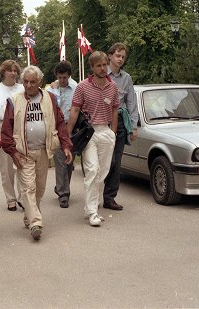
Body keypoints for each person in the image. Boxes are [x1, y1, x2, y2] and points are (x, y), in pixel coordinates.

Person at [1, 65, 73, 241]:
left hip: (43, 151)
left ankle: (28, 215)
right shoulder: (14, 101)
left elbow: (60, 124)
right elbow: (6, 130)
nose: (29, 85)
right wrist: (12, 152)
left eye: (33, 82)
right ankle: (36, 223)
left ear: (40, 82)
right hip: (23, 152)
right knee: (28, 188)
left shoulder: (50, 99)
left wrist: (66, 146)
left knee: (39, 189)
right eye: (25, 81)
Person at [67, 51, 118, 227]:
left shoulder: (113, 87)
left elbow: (114, 110)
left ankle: (91, 206)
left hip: (106, 131)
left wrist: (114, 133)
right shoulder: (82, 87)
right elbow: (74, 110)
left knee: (102, 172)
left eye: (105, 65)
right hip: (89, 132)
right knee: (92, 170)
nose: (103, 68)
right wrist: (68, 134)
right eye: (99, 65)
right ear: (92, 67)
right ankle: (92, 212)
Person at [103, 43, 138, 211]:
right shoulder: (102, 74)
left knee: (116, 162)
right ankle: (95, 194)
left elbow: (131, 102)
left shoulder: (126, 78)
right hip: (102, 122)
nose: (120, 59)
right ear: (110, 56)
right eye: (118, 56)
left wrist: (133, 126)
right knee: (103, 161)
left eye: (123, 57)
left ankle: (109, 197)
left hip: (121, 123)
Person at [0, 60, 24, 211]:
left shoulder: (23, 88)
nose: (13, 73)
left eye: (15, 70)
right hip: (3, 126)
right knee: (6, 167)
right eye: (10, 70)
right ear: (3, 73)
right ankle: (10, 198)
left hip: (20, 126)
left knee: (22, 164)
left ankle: (24, 197)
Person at [46, 61, 78, 208]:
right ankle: (64, 194)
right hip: (57, 128)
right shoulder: (52, 90)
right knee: (60, 160)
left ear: (69, 76)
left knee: (69, 162)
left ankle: (61, 187)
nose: (62, 80)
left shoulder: (76, 88)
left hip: (72, 127)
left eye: (65, 77)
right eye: (60, 77)